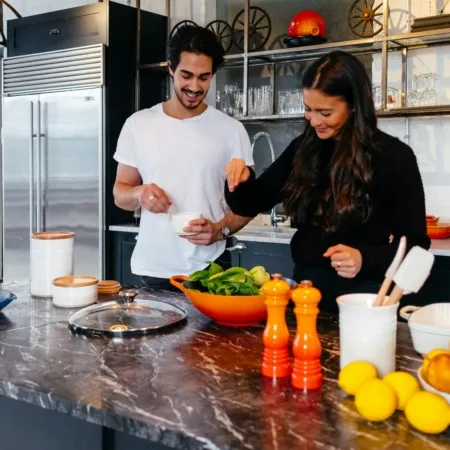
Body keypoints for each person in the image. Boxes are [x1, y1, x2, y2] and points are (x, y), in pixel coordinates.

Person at [225, 50, 430, 312]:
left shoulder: (394, 157)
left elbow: (416, 246)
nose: (314, 121)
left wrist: (363, 258)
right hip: (305, 296)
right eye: (308, 110)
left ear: (354, 105)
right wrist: (238, 177)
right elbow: (251, 202)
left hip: (365, 299)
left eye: (325, 112)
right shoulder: (302, 149)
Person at [112, 25, 253, 291]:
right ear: (171, 68)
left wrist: (220, 229)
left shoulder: (231, 129)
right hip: (152, 269)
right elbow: (120, 193)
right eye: (186, 75)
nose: (195, 86)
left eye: (204, 77)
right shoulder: (138, 124)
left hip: (211, 269)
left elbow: (248, 203)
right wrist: (140, 194)